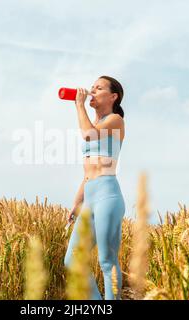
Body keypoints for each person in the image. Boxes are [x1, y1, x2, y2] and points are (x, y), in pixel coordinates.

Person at [64, 75, 126, 300]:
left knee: (107, 261)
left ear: (112, 96)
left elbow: (89, 135)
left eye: (98, 88)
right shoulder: (97, 124)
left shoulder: (115, 120)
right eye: (91, 87)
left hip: (108, 196)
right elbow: (87, 173)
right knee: (72, 260)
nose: (91, 91)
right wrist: (76, 202)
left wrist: (79, 105)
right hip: (90, 196)